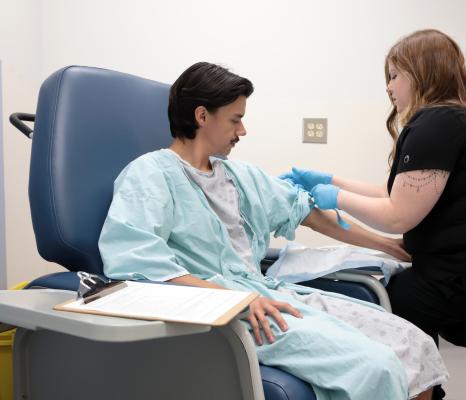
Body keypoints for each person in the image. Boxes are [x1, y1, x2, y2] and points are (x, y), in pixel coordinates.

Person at [98, 61, 448, 400]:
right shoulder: (150, 174)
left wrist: (386, 245)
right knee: (378, 366)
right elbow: (137, 262)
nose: (243, 131)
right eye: (236, 120)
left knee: (415, 345)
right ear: (202, 116)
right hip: (225, 311)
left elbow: (307, 212)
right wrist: (233, 298)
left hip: (265, 294)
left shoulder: (238, 175)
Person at [282, 29, 466, 399]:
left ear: (421, 73)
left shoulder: (436, 124)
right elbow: (396, 194)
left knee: (390, 296)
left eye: (394, 75)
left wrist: (334, 196)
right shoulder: (456, 118)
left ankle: (421, 393)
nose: (389, 87)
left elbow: (396, 217)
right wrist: (329, 179)